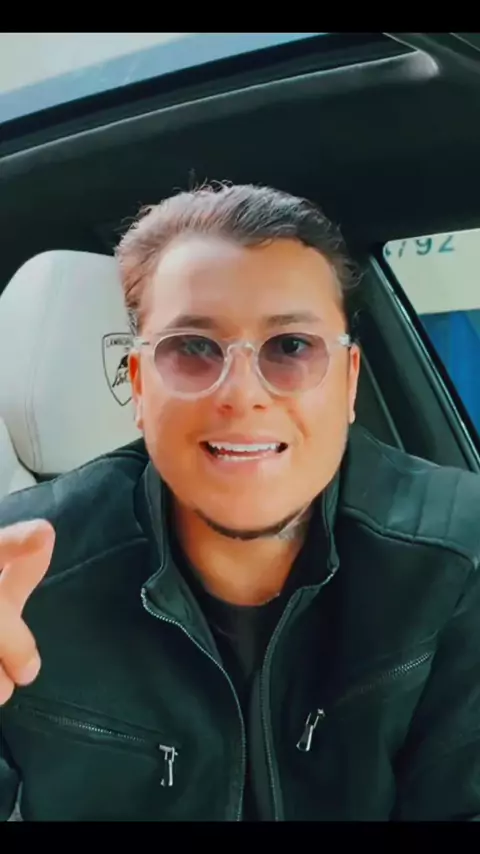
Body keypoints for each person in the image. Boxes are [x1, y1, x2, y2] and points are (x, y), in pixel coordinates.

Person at [0, 183, 479, 822]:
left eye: (291, 347)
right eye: (193, 348)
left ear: (348, 383)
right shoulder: (21, 582)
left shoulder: (458, 559)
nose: (241, 393)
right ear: (139, 387)